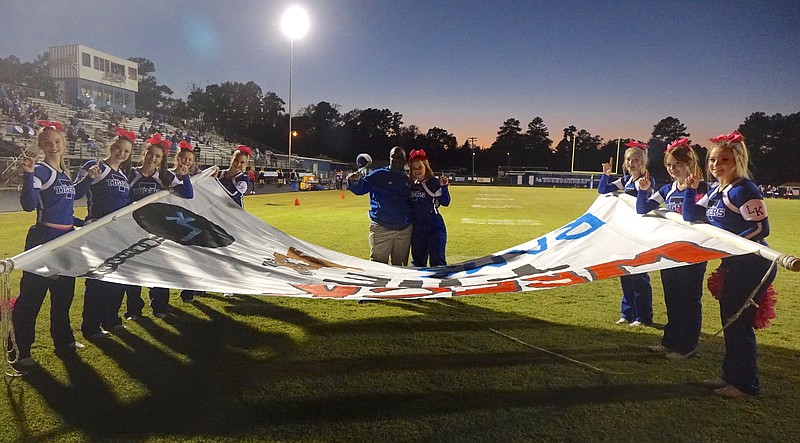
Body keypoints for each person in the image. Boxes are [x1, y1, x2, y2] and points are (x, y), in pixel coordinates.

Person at [682, 130, 777, 398]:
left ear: (737, 160)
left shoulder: (744, 189)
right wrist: (690, 190)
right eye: (712, 160)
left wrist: (732, 245)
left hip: (753, 267)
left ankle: (746, 384)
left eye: (723, 160)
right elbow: (692, 215)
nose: (715, 165)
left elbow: (760, 228)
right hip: (733, 266)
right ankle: (730, 375)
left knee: (738, 324)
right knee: (730, 322)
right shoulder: (716, 189)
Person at [8, 121, 86, 369]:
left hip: (65, 241)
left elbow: (63, 212)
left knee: (63, 297)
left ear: (64, 144)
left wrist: (83, 222)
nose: (53, 146)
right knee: (32, 298)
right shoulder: (41, 170)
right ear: (41, 145)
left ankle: (64, 342)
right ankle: (19, 350)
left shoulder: (65, 174)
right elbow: (30, 205)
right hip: (43, 240)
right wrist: (29, 174)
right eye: (48, 142)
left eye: (57, 142)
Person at [636, 138, 708, 360]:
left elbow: (690, 215)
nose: (673, 169)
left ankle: (687, 346)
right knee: (672, 298)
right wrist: (644, 190)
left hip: (693, 252)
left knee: (689, 300)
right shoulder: (668, 189)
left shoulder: (704, 189)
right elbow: (642, 208)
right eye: (669, 165)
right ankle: (670, 341)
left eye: (677, 164)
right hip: (671, 251)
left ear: (690, 164)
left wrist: (690, 188)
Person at [125, 133, 193, 319]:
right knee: (134, 268)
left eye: (157, 156)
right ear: (144, 154)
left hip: (156, 230)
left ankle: (160, 306)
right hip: (133, 228)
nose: (153, 159)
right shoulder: (131, 174)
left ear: (162, 159)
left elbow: (187, 194)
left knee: (159, 267)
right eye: (151, 154)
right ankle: (133, 309)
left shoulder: (164, 176)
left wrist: (185, 177)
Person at [74, 128, 134, 340]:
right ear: (111, 147)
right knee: (97, 281)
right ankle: (90, 327)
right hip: (98, 232)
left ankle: (110, 319)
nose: (122, 153)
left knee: (116, 279)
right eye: (119, 148)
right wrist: (89, 178)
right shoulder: (96, 166)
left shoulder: (123, 176)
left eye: (126, 151)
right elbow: (76, 193)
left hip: (117, 234)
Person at [598, 141, 656, 327]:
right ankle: (628, 313)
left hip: (640, 233)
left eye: (636, 160)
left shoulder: (646, 181)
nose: (631, 163)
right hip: (626, 232)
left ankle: (643, 316)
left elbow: (644, 205)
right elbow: (603, 190)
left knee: (639, 275)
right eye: (629, 159)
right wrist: (606, 174)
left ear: (643, 162)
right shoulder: (627, 180)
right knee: (625, 272)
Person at [347, 146, 412, 266]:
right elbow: (361, 189)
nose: (397, 160)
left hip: (404, 231)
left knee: (401, 269)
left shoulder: (408, 180)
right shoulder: (379, 175)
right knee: (378, 267)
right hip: (382, 229)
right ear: (389, 158)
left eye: (400, 157)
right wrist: (354, 182)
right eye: (394, 157)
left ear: (405, 160)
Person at [216, 145, 252, 297]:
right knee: (214, 249)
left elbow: (232, 194)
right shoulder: (219, 174)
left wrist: (213, 181)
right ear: (232, 159)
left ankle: (231, 284)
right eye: (236, 160)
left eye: (242, 162)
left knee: (230, 251)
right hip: (216, 215)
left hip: (233, 218)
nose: (238, 164)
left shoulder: (243, 179)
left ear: (246, 165)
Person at [407, 149, 451, 267]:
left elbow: (446, 202)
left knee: (437, 262)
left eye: (420, 167)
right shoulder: (411, 185)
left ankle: (439, 286)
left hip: (435, 229)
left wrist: (444, 187)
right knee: (418, 263)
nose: (417, 171)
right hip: (417, 230)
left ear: (426, 167)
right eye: (414, 168)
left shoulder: (433, 183)